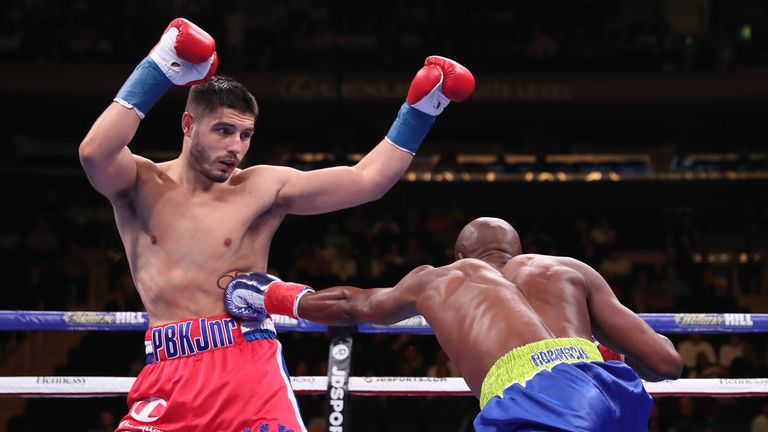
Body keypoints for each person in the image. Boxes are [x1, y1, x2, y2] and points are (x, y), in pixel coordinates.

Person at [78, 17, 475, 432]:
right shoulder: (141, 184)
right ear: (188, 125)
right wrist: (161, 66)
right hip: (168, 370)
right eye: (224, 131)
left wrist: (421, 109)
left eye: (245, 135)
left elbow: (367, 182)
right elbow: (95, 153)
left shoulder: (260, 187)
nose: (236, 148)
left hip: (247, 367)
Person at [224, 217, 683, 431]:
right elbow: (666, 361)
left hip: (536, 399)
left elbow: (349, 305)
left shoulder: (443, 279)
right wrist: (590, 351)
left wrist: (271, 294)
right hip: (610, 389)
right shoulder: (567, 270)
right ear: (519, 250)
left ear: (460, 257)